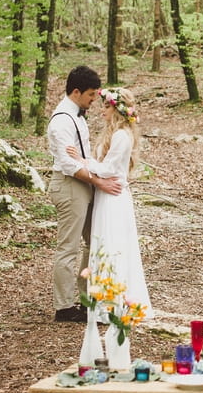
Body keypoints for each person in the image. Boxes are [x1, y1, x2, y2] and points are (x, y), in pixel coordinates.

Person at [66, 86, 153, 322]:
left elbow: (109, 170)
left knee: (114, 247)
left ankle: (115, 304)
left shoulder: (122, 135)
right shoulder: (112, 134)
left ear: (117, 110)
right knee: (102, 246)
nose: (101, 110)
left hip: (114, 198)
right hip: (105, 196)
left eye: (106, 106)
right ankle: (104, 301)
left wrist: (81, 160)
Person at [47, 66, 122, 323]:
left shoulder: (78, 116)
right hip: (69, 186)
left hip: (86, 182)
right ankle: (64, 307)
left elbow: (84, 156)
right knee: (68, 247)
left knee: (94, 243)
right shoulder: (60, 121)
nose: (93, 101)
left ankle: (87, 299)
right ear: (76, 92)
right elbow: (70, 165)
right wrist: (100, 183)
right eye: (90, 95)